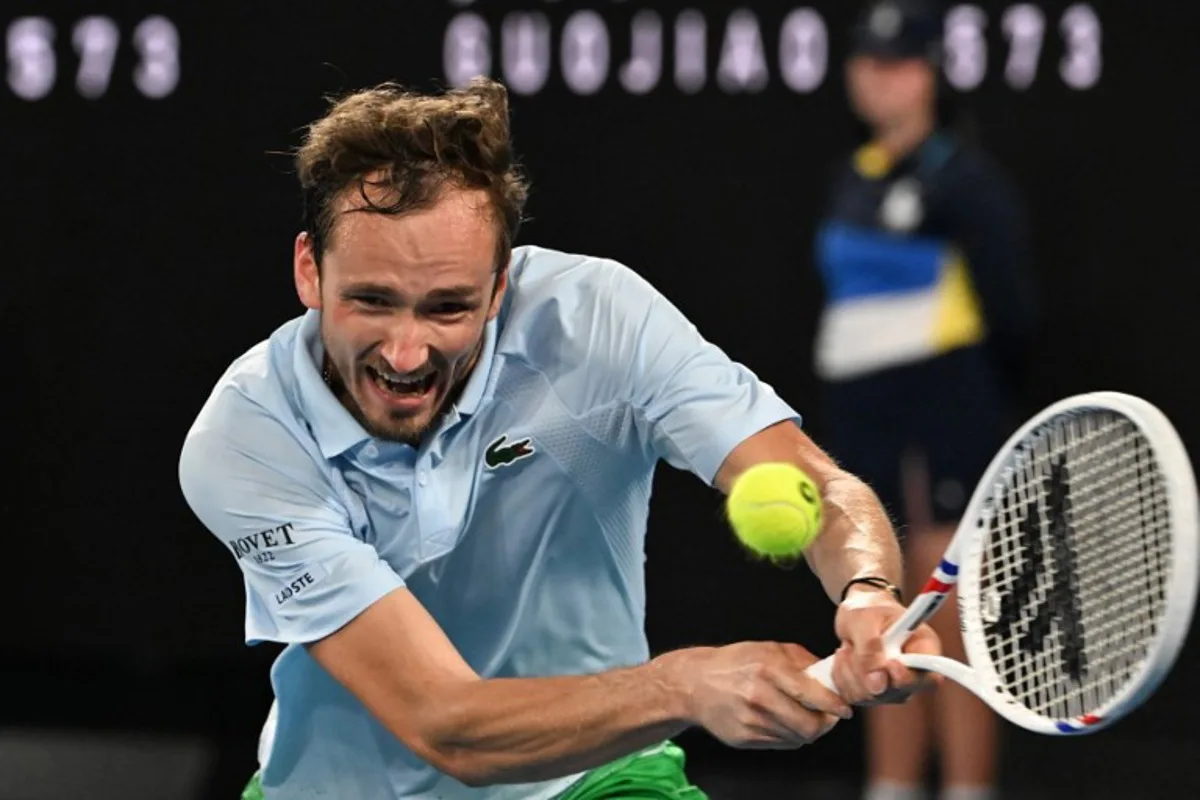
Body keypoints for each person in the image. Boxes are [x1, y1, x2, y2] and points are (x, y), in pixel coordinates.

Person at [178, 76, 942, 800]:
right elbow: (446, 725)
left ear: (501, 285)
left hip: (595, 779)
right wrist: (683, 685)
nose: (406, 354)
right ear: (310, 271)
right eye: (372, 301)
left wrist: (869, 590)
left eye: (448, 308)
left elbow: (817, 483)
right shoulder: (249, 434)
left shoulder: (600, 321)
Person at [810, 2, 1039, 800]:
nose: (883, 79)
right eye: (869, 63)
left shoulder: (964, 180)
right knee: (886, 615)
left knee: (953, 611)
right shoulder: (850, 176)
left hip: (944, 416)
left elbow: (1012, 313)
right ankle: (892, 787)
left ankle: (969, 791)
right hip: (865, 420)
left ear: (932, 74)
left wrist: (966, 406)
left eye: (901, 63)